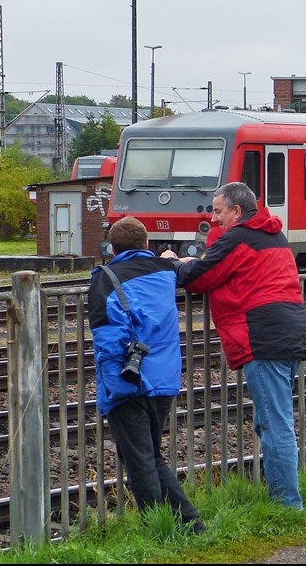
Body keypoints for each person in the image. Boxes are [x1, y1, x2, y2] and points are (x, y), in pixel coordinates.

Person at [162, 182, 306, 509]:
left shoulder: (238, 237)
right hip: (291, 330)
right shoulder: (273, 235)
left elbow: (200, 276)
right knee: (269, 420)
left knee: (275, 425)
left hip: (263, 337)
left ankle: (288, 505)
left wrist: (172, 262)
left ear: (236, 212)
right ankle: (282, 496)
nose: (213, 218)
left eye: (217, 211)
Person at [88, 217, 204, 534]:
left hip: (129, 382)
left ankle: (165, 528)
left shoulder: (105, 279)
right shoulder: (166, 273)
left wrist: (114, 389)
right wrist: (174, 258)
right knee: (147, 456)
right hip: (165, 380)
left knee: (142, 461)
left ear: (111, 248)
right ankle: (184, 525)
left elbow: (108, 339)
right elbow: (183, 268)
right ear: (147, 244)